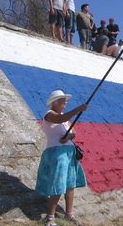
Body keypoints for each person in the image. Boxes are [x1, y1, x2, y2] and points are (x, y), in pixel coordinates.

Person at [35, 90, 88, 226]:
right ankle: (50, 217)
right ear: (55, 102)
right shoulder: (49, 115)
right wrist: (78, 109)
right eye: (62, 101)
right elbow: (60, 120)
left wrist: (68, 137)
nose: (65, 104)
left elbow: (73, 131)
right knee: (58, 183)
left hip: (69, 152)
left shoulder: (64, 116)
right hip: (57, 153)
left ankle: (69, 214)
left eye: (65, 101)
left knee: (70, 184)